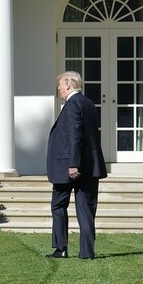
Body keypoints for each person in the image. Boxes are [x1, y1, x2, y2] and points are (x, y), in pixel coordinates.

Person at [46, 70, 107, 259]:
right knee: (86, 209)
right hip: (90, 166)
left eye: (60, 86)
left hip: (70, 166)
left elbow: (75, 135)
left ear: (68, 85)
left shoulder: (72, 105)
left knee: (58, 205)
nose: (59, 90)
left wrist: (73, 165)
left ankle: (61, 248)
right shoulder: (88, 103)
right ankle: (87, 252)